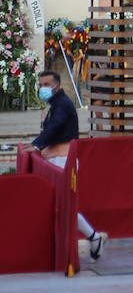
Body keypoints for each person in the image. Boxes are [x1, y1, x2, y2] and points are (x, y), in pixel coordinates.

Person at [29, 70, 105, 258]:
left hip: (63, 160)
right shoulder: (55, 104)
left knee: (65, 205)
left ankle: (94, 237)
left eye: (46, 85)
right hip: (56, 158)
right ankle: (91, 238)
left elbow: (55, 127)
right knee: (60, 205)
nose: (42, 89)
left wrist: (36, 144)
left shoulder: (62, 104)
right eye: (40, 85)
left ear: (57, 86)